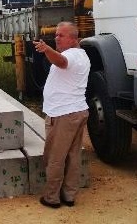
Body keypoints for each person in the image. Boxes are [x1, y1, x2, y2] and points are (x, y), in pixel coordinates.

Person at [33, 21, 90, 208]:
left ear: (74, 39)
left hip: (64, 114)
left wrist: (47, 49)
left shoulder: (71, 55)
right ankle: (69, 195)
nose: (56, 37)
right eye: (56, 34)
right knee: (72, 157)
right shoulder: (83, 56)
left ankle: (51, 197)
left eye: (61, 35)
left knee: (55, 157)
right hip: (76, 111)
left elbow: (62, 62)